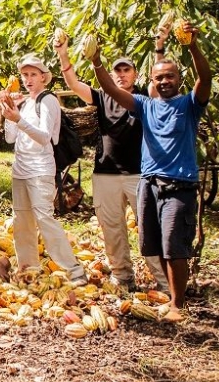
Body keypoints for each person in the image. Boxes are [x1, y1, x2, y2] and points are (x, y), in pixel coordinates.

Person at [92, 20, 211, 323]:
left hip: (179, 184)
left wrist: (192, 45)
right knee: (155, 244)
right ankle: (172, 298)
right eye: (159, 77)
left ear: (179, 80)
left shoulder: (189, 105)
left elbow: (205, 77)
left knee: (174, 246)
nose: (164, 81)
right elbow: (110, 89)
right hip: (150, 184)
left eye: (170, 76)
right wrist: (96, 62)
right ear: (152, 81)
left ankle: (178, 304)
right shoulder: (145, 105)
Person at [54, 34, 169, 291]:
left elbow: (159, 87)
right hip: (105, 173)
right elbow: (73, 84)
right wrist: (63, 53)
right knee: (113, 230)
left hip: (139, 174)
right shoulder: (101, 97)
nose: (121, 75)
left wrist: (159, 47)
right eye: (117, 71)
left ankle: (163, 282)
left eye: (126, 70)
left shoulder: (143, 97)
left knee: (149, 228)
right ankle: (122, 277)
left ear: (136, 75)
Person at [0, 54, 87, 286]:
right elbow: (10, 138)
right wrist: (9, 113)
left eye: (33, 75)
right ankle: (29, 268)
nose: (28, 79)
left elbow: (45, 137)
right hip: (20, 169)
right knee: (22, 220)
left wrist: (18, 119)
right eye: (25, 75)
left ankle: (73, 269)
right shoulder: (26, 103)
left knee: (44, 218)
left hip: (41, 169)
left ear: (43, 77)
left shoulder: (48, 101)